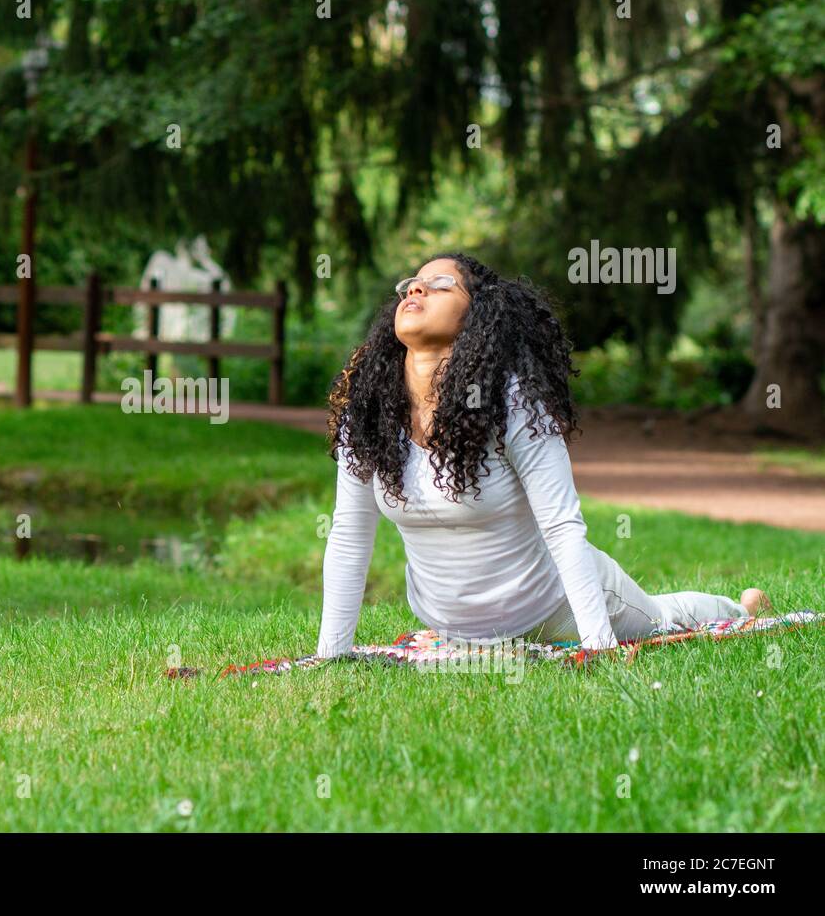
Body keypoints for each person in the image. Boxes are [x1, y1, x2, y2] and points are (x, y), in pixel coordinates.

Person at [316, 253, 768, 658]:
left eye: (440, 285)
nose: (416, 288)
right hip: (452, 629)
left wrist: (596, 645)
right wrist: (331, 655)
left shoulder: (511, 401)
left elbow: (561, 523)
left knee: (657, 621)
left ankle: (739, 609)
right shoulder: (370, 407)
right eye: (411, 283)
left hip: (555, 608)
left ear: (479, 313)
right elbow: (350, 535)